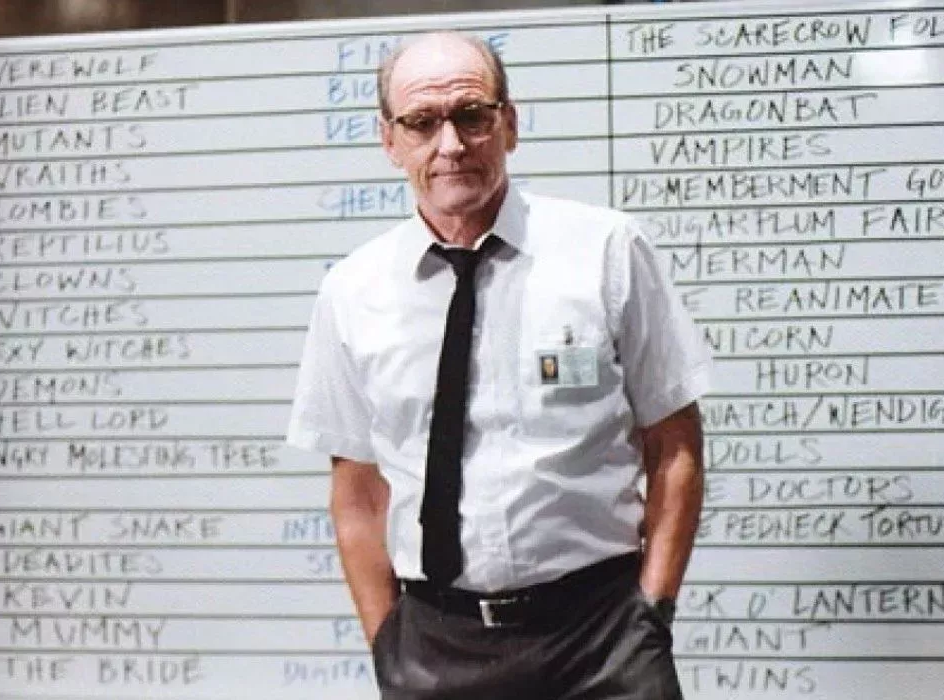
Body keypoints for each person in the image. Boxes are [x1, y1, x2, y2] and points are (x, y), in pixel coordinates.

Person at [286, 31, 710, 700]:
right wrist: (387, 643)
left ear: (509, 124)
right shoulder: (352, 290)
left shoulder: (605, 251)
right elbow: (358, 493)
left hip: (603, 640)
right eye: (422, 122)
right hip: (435, 649)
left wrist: (651, 614)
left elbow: (674, 442)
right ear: (390, 140)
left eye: (471, 115)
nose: (450, 144)